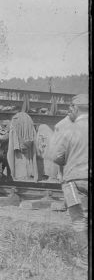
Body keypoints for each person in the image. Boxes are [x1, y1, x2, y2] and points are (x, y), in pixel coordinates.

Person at [49, 93, 89, 236]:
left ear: (76, 109)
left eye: (71, 106)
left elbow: (56, 157)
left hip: (74, 181)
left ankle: (83, 254)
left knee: (79, 220)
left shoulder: (68, 129)